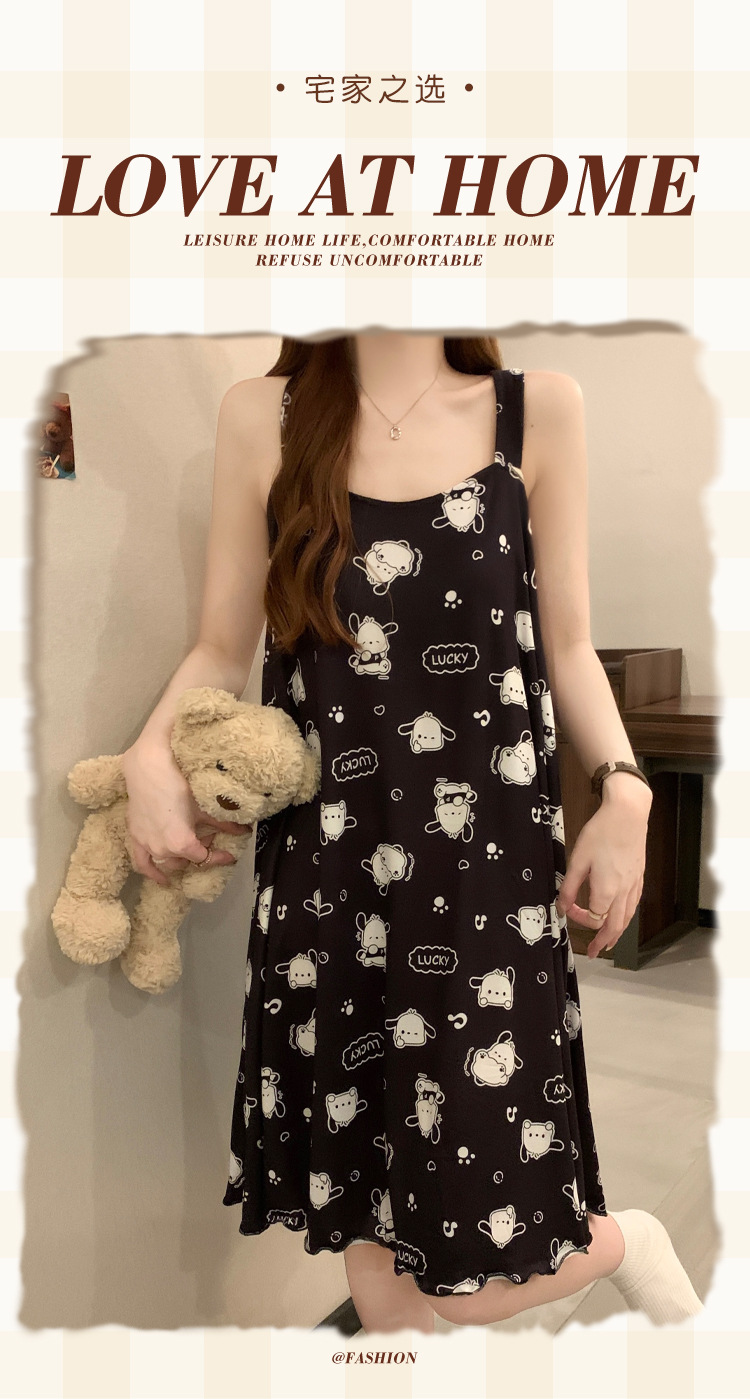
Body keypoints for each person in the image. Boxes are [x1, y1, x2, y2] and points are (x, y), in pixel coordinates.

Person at [121, 333, 703, 1334]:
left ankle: (625, 1243)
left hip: (487, 880)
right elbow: (221, 645)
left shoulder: (537, 411)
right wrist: (147, 754)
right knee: (378, 1244)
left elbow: (568, 644)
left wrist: (626, 793)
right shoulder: (264, 417)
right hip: (330, 875)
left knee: (466, 1265)